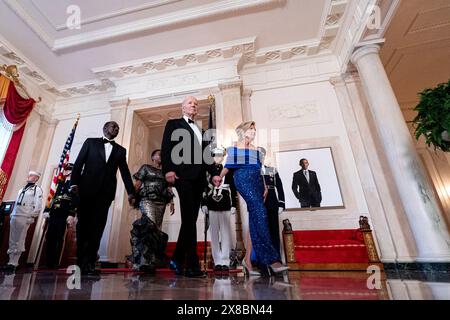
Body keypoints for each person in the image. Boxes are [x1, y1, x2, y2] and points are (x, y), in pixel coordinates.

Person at [212, 121, 288, 276]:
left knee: (255, 217)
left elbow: (260, 169)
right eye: (251, 129)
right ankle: (272, 259)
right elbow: (228, 165)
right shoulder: (235, 146)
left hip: (258, 182)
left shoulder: (256, 148)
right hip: (243, 180)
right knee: (260, 212)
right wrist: (218, 177)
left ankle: (247, 261)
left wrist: (265, 186)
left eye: (254, 129)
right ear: (243, 131)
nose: (253, 132)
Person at [71, 121, 135, 275]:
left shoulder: (120, 150)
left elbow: (125, 172)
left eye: (118, 128)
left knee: (97, 228)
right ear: (105, 128)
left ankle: (90, 263)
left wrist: (131, 192)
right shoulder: (91, 142)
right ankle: (80, 263)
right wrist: (73, 184)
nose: (117, 129)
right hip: (86, 191)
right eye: (114, 127)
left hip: (105, 194)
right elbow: (78, 164)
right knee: (83, 227)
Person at [161, 96, 211, 278]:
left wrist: (213, 174)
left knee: (190, 220)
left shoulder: (201, 129)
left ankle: (176, 258)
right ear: (182, 107)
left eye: (196, 104)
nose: (194, 105)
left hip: (199, 179)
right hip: (182, 176)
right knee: (189, 219)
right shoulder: (173, 124)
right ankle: (192, 265)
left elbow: (207, 155)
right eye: (190, 103)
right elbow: (166, 147)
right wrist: (168, 170)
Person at [129, 149, 174, 273]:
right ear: (153, 157)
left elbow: (169, 187)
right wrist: (132, 196)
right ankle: (141, 261)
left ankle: (151, 261)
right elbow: (138, 184)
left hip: (161, 202)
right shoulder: (146, 168)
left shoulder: (165, 171)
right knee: (149, 226)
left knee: (156, 230)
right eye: (159, 154)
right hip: (147, 200)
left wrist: (172, 202)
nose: (161, 157)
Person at [201, 147, 237, 273]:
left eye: (220, 154)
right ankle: (217, 261)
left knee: (226, 234)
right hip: (211, 204)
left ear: (223, 156)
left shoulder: (228, 168)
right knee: (214, 234)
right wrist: (203, 203)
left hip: (226, 203)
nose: (217, 156)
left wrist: (234, 205)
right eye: (215, 154)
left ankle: (225, 261)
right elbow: (204, 188)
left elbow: (232, 186)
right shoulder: (208, 169)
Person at [3, 171, 43, 273]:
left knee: (19, 240)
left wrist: (32, 215)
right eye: (29, 175)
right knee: (12, 239)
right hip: (15, 215)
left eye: (31, 175)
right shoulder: (21, 189)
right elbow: (17, 202)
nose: (29, 176)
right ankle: (10, 261)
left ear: (36, 178)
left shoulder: (37, 190)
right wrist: (12, 213)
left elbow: (38, 205)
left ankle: (14, 263)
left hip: (25, 216)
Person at [42, 163, 78, 269]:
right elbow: (51, 197)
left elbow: (75, 201)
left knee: (59, 238)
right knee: (50, 237)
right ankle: (48, 262)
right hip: (54, 214)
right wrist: (47, 209)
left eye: (69, 170)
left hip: (63, 214)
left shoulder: (74, 185)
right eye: (66, 170)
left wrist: (71, 214)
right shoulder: (59, 184)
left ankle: (55, 262)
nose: (66, 172)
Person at [258, 147, 285, 255]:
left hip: (272, 202)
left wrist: (281, 203)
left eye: (261, 155)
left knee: (274, 230)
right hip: (258, 203)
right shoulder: (252, 172)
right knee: (261, 231)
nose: (259, 157)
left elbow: (280, 187)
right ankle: (263, 258)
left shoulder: (271, 170)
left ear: (264, 156)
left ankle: (276, 256)